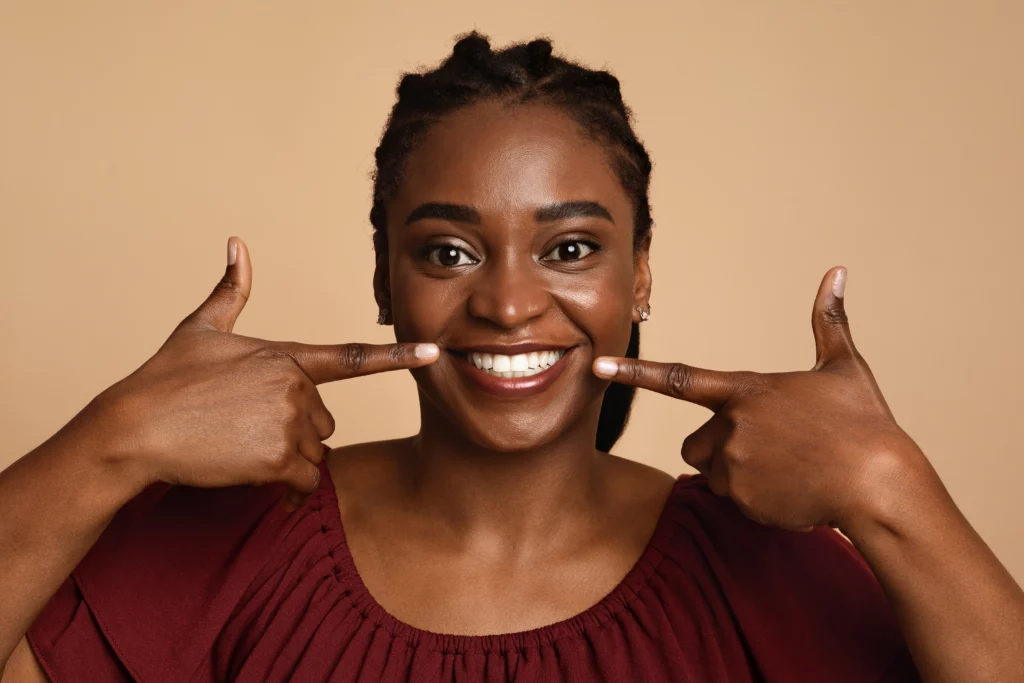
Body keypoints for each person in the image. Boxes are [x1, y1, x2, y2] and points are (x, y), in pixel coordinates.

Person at [1, 31, 1021, 683]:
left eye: (570, 247)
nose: (507, 300)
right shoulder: (237, 546)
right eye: (447, 250)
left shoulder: (751, 566)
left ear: (641, 275)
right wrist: (114, 440)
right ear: (384, 277)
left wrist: (890, 485)